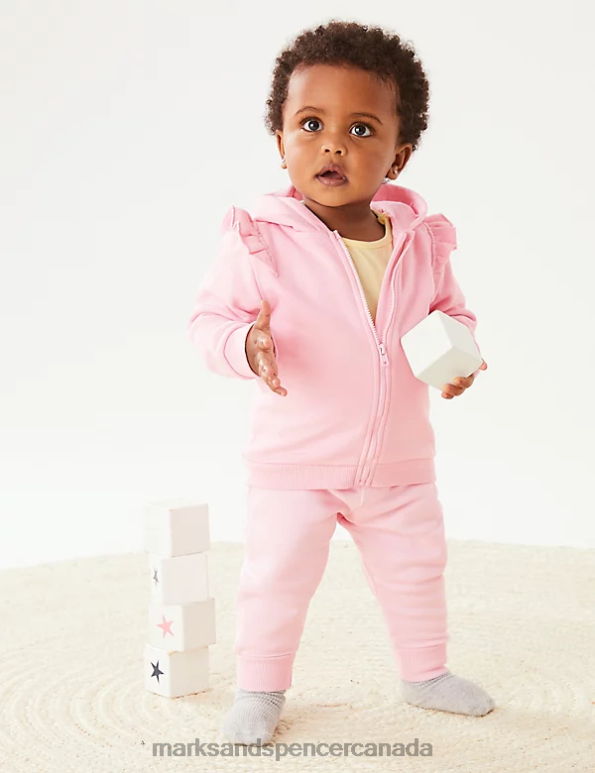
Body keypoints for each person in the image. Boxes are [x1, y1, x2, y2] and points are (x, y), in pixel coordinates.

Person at [187, 19, 493, 746]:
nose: (332, 145)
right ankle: (259, 688)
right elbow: (207, 324)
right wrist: (246, 344)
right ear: (280, 140)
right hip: (296, 462)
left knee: (417, 568)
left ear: (398, 154)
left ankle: (424, 673)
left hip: (398, 462)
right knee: (276, 577)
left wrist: (459, 358)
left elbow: (451, 314)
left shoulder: (419, 241)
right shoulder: (260, 240)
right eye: (311, 124)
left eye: (360, 129)